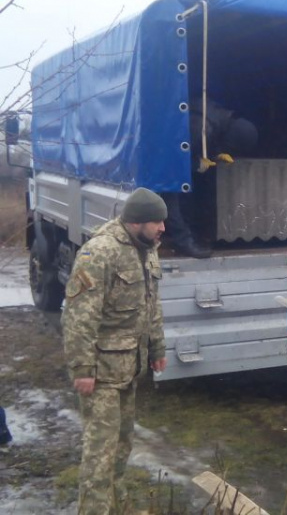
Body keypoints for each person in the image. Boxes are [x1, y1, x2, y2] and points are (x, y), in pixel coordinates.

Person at [62, 187, 168, 515]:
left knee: (122, 446)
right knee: (100, 452)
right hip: (101, 373)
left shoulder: (148, 248)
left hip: (129, 367)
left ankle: (115, 507)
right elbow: (80, 315)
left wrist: (157, 346)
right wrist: (82, 369)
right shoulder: (100, 252)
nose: (163, 228)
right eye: (156, 222)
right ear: (136, 222)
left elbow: (151, 304)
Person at [162, 97, 259, 259]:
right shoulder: (201, 127)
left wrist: (214, 154)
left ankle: (191, 234)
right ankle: (182, 242)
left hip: (174, 152)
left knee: (190, 192)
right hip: (164, 160)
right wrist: (196, 163)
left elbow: (207, 142)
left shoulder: (220, 116)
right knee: (172, 194)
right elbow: (171, 161)